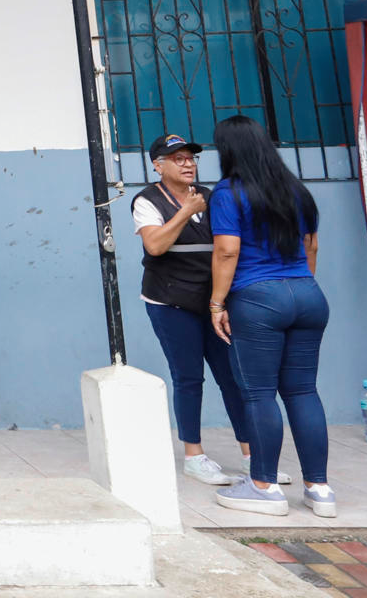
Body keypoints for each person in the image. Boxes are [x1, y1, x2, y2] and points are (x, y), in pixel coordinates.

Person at [207, 115, 333, 518]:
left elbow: (227, 250)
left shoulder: (228, 192)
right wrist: (296, 289)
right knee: (303, 391)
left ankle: (263, 486)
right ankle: (320, 489)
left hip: (258, 298)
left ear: (228, 150)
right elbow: (310, 247)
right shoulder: (296, 191)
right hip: (308, 294)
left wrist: (216, 303)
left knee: (259, 393)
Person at [133, 133, 275, 488]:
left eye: (191, 158)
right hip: (170, 303)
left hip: (214, 303)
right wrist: (185, 212)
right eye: (177, 159)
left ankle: (250, 456)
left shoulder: (212, 197)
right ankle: (194, 456)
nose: (187, 164)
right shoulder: (146, 200)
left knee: (233, 377)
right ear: (157, 165)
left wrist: (223, 299)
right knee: (188, 377)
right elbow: (155, 245)